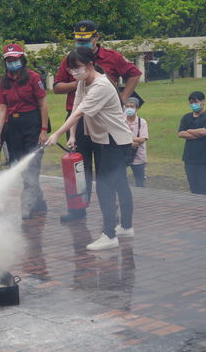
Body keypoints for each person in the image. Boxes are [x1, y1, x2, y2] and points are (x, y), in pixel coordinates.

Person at [46, 47, 134, 251]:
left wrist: (57, 133)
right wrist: (74, 136)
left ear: (89, 65)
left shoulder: (101, 85)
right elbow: (76, 108)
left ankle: (109, 235)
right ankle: (126, 227)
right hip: (105, 139)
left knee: (104, 185)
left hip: (116, 141)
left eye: (77, 68)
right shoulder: (83, 83)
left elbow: (79, 114)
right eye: (71, 69)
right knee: (119, 182)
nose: (74, 73)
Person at [54, 19, 142, 222]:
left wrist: (122, 98)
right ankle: (78, 209)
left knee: (107, 171)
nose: (81, 43)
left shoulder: (111, 57)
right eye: (78, 39)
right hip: (76, 120)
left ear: (96, 38)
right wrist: (78, 82)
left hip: (104, 123)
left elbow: (134, 74)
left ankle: (111, 214)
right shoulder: (72, 60)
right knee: (79, 167)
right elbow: (58, 87)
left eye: (86, 39)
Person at [0, 43, 49, 219]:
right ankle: (38, 200)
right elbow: (2, 109)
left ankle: (27, 204)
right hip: (13, 127)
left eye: (15, 59)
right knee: (20, 164)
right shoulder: (4, 82)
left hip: (32, 122)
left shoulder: (33, 77)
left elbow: (43, 105)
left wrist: (43, 130)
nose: (12, 63)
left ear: (22, 59)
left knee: (32, 164)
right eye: (9, 60)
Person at [178, 91, 206, 195]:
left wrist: (189, 130)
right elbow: (181, 133)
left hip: (204, 158)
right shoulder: (186, 117)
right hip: (189, 158)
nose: (193, 104)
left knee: (204, 187)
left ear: (203, 102)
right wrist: (197, 134)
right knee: (193, 187)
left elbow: (205, 131)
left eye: (196, 102)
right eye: (191, 102)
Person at [124, 97, 148, 187]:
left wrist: (126, 140)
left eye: (132, 106)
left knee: (140, 180)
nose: (129, 108)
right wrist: (132, 141)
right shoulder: (121, 121)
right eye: (127, 106)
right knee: (122, 180)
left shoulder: (142, 122)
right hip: (123, 155)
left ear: (137, 108)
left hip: (138, 156)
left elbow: (143, 138)